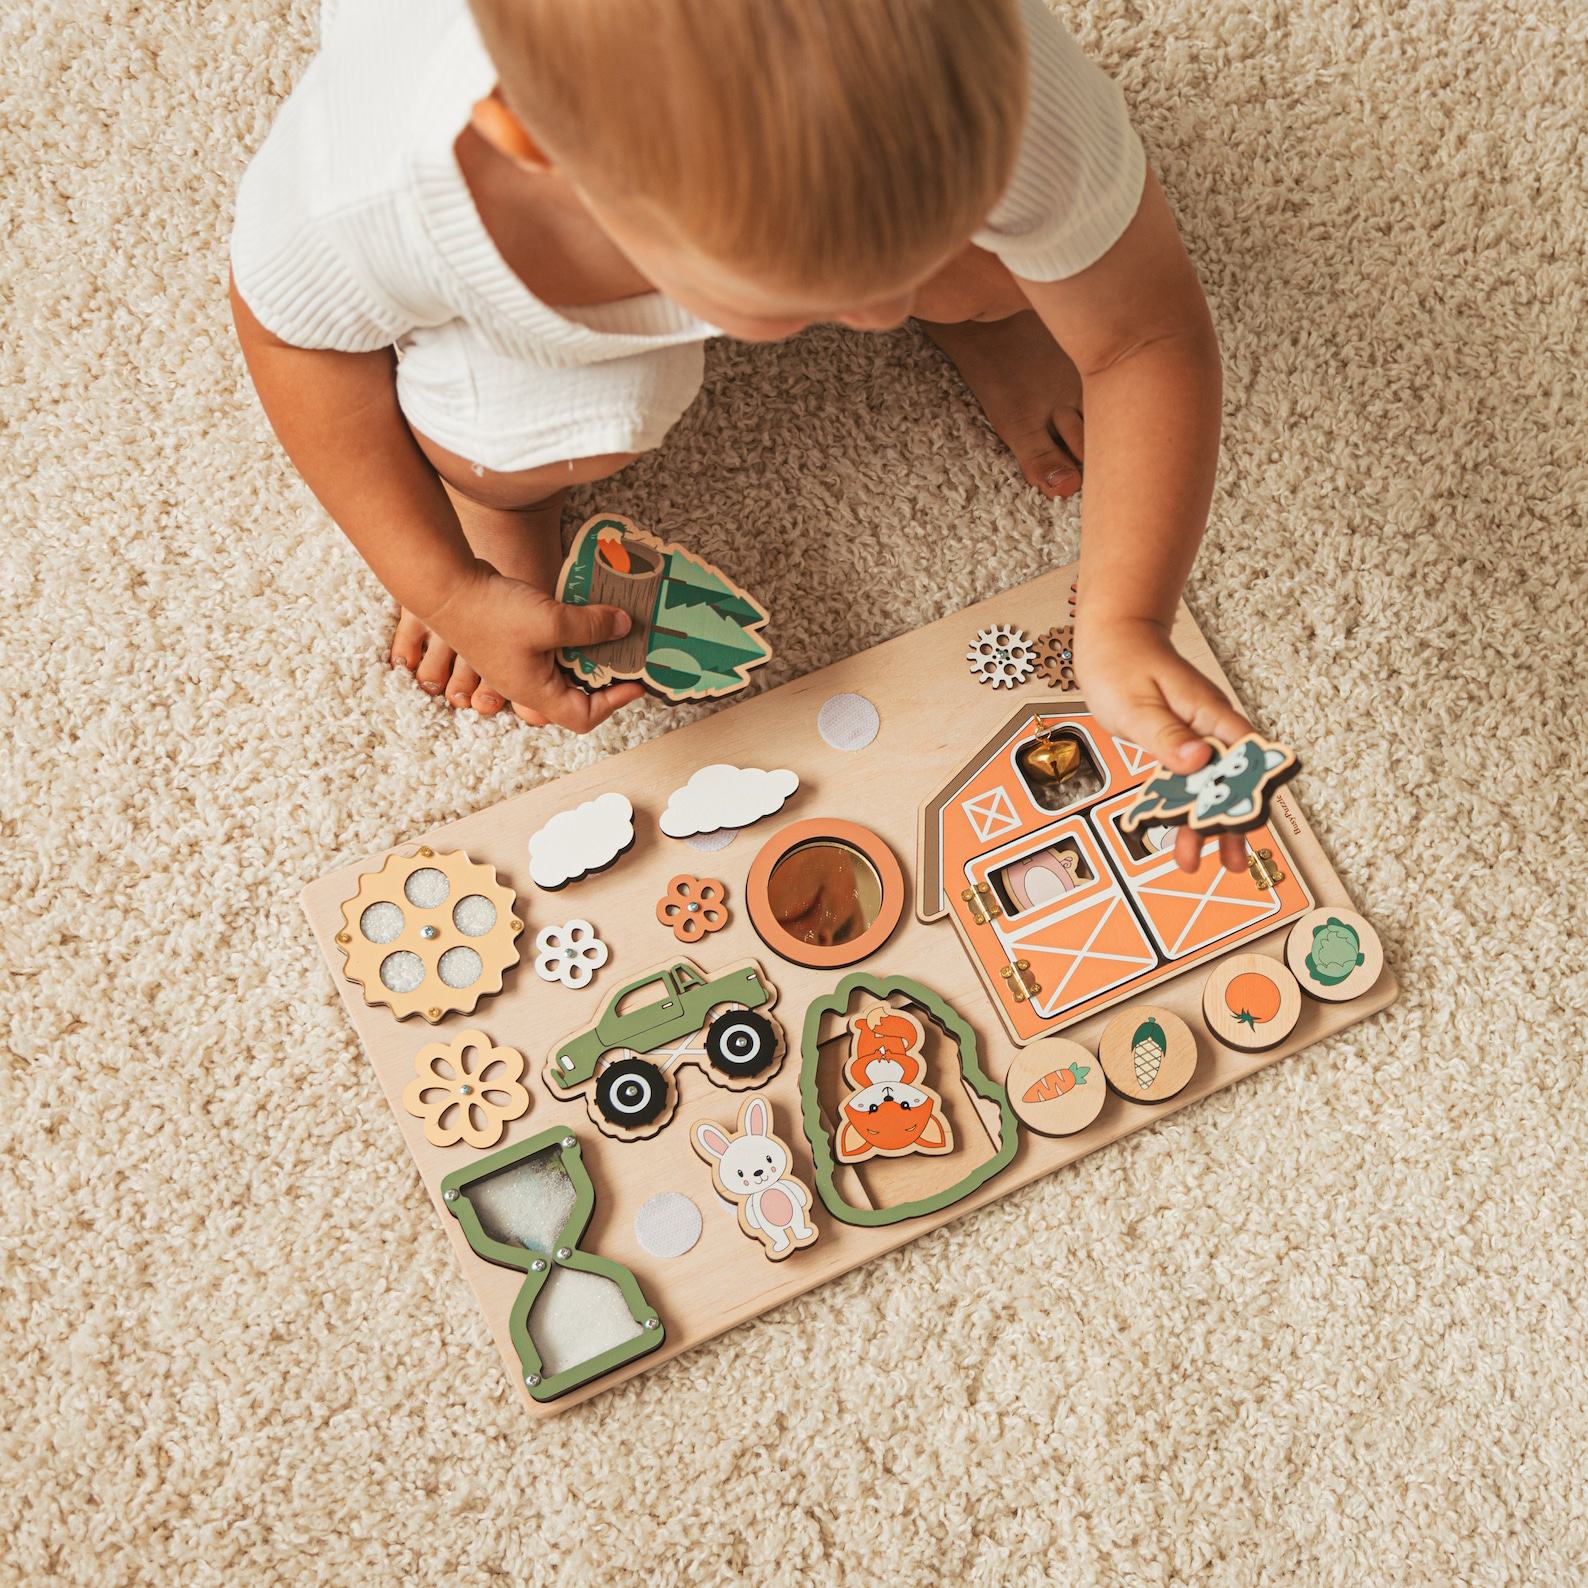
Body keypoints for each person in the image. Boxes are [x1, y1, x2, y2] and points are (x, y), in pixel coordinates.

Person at [231, 0, 1254, 872]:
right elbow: (297, 345)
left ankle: (973, 291)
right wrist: (442, 585)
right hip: (514, 297)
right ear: (536, 145)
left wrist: (1123, 617)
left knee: (1023, 269)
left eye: (914, 256)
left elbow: (1144, 334)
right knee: (525, 446)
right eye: (832, 292)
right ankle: (503, 492)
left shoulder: (989, 74)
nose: (881, 310)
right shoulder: (377, 196)